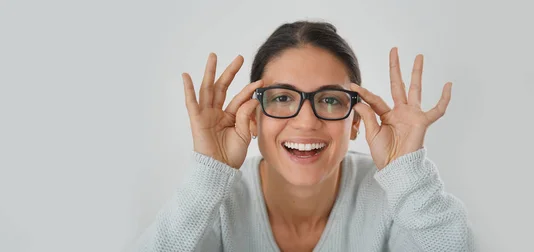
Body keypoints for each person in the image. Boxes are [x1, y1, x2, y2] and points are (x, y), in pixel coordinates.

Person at [131, 21, 474, 252]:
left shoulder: (393, 197)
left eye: (329, 100)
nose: (306, 121)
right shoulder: (216, 202)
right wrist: (207, 176)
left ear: (355, 121)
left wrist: (408, 176)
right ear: (252, 118)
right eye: (282, 98)